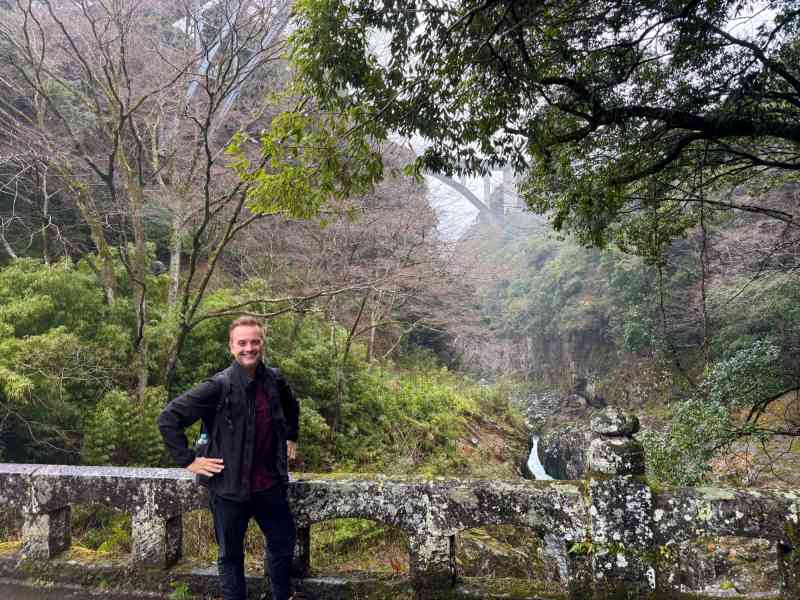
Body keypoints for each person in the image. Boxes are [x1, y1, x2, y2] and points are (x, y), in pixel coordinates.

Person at [158, 317, 299, 600]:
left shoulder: (274, 379)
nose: (249, 348)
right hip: (229, 488)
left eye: (254, 342)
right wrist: (188, 460)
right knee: (231, 556)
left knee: (282, 544)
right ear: (232, 347)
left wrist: (291, 437)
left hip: (269, 485)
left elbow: (291, 404)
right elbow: (168, 417)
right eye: (242, 343)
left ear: (262, 343)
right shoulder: (218, 386)